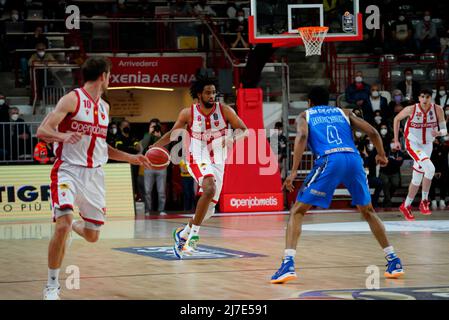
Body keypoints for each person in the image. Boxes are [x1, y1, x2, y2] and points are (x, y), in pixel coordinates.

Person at [36, 57, 151, 300]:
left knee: (92, 236)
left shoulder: (105, 108)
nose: (110, 79)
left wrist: (130, 158)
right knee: (62, 223)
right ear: (103, 76)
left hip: (94, 175)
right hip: (67, 169)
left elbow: (102, 147)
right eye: (110, 75)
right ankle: (52, 285)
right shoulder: (72, 99)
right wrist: (63, 137)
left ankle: (75, 227)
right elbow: (43, 131)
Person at [271, 86, 404, 284]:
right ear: (329, 102)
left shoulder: (305, 115)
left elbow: (302, 137)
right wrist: (382, 155)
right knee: (368, 211)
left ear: (309, 102)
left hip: (330, 160)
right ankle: (393, 260)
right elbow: (374, 132)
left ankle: (288, 263)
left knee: (297, 211)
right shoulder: (344, 112)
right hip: (353, 159)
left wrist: (292, 173)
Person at [151, 75, 248, 259]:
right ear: (198, 94)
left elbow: (244, 129)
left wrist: (232, 138)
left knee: (209, 209)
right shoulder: (187, 113)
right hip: (197, 155)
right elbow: (173, 134)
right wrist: (156, 146)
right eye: (208, 92)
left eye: (213, 92)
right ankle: (193, 235)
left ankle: (183, 233)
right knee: (209, 187)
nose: (212, 96)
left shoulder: (225, 110)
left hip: (219, 159)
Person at [393, 88, 447, 220]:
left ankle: (406, 206)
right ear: (419, 98)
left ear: (431, 98)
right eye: (422, 96)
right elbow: (396, 119)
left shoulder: (438, 109)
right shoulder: (411, 109)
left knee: (417, 178)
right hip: (413, 143)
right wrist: (396, 140)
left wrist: (439, 133)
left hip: (428, 144)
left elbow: (445, 130)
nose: (425, 99)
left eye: (427, 97)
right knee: (431, 168)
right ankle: (424, 202)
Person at [141, 122, 167, 216]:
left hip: (161, 167)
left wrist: (159, 137)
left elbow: (166, 150)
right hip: (149, 166)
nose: (154, 129)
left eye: (155, 127)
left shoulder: (163, 137)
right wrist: (149, 133)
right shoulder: (146, 136)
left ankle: (162, 210)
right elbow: (143, 146)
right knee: (147, 190)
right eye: (152, 127)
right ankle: (147, 210)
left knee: (161, 191)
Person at [380, 138, 405, 207]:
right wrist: (393, 161)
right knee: (385, 183)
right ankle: (388, 202)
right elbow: (382, 161)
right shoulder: (385, 150)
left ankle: (386, 199)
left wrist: (389, 160)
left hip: (395, 172)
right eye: (392, 141)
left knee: (395, 184)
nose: (393, 143)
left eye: (395, 142)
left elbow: (399, 163)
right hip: (384, 172)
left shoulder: (400, 153)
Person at [429, 137, 448, 210]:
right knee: (431, 185)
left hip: (442, 171)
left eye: (436, 140)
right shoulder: (429, 149)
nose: (435, 141)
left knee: (444, 184)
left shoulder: (443, 149)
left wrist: (440, 171)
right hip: (431, 171)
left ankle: (442, 200)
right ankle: (433, 200)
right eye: (434, 140)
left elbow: (444, 161)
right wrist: (434, 172)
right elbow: (430, 161)